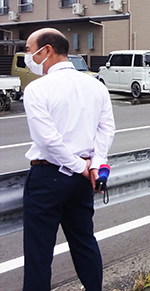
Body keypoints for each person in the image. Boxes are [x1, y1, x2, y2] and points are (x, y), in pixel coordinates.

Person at [22, 28, 115, 291]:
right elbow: (106, 130)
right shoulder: (96, 86)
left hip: (48, 177)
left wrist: (82, 167)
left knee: (39, 253)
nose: (28, 57)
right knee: (84, 242)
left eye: (30, 51)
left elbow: (47, 140)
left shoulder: (37, 89)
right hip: (83, 181)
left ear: (47, 50)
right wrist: (94, 166)